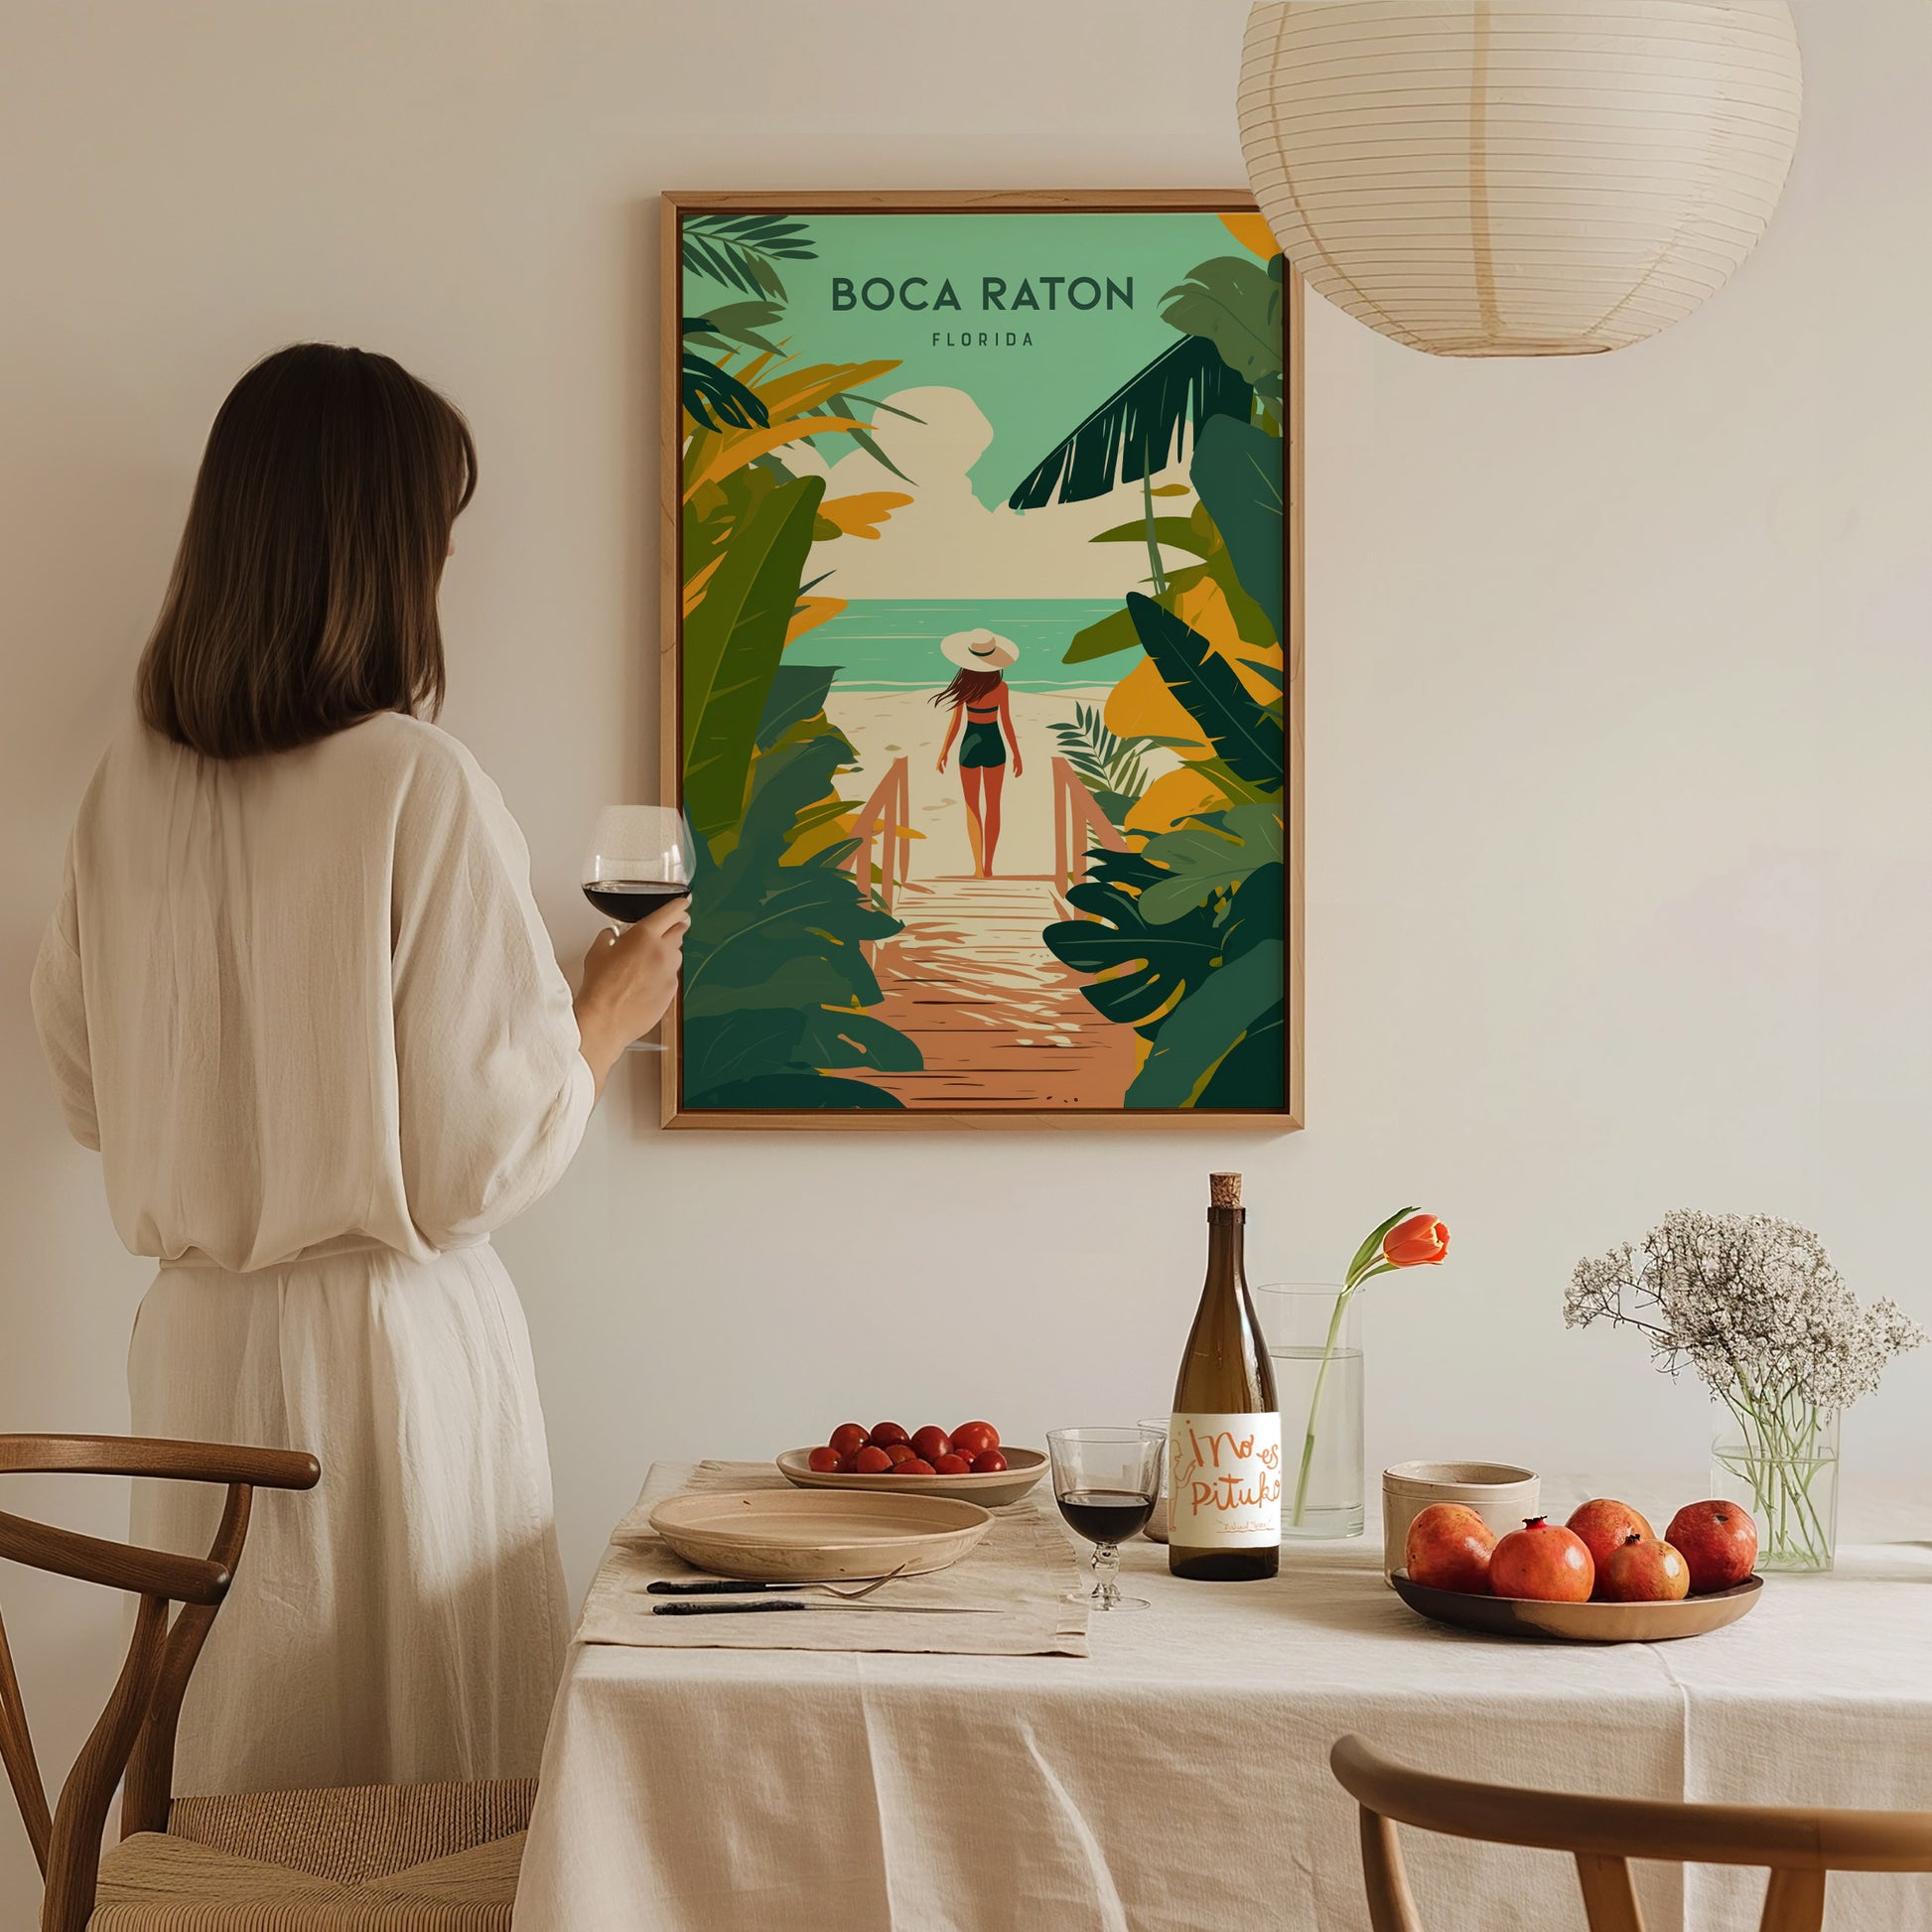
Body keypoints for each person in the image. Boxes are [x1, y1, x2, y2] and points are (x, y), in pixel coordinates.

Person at [29, 343, 685, 1794]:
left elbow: (87, 1093)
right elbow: (471, 1164)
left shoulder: (121, 792)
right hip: (388, 1361)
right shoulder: (414, 779)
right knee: (421, 1796)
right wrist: (601, 1013)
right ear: (384, 552)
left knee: (240, 1776)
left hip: (195, 1350)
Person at [932, 627, 1023, 878]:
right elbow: (1006, 723)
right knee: (993, 806)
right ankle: (989, 865)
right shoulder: (1001, 688)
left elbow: (956, 723)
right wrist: (1016, 753)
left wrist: (944, 751)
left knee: (972, 806)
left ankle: (977, 868)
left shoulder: (966, 688)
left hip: (970, 745)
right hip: (995, 744)